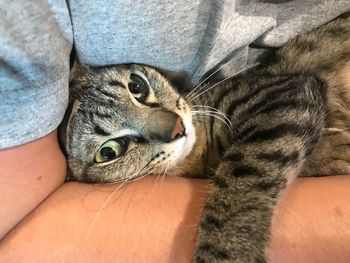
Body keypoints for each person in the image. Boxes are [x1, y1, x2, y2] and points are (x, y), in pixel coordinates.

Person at [1, 1, 350, 262]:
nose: (168, 125)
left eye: (138, 88)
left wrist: (228, 234)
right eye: (111, 151)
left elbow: (297, 102)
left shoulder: (213, 108)